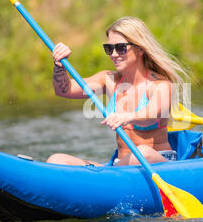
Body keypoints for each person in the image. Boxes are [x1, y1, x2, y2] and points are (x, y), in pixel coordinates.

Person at [46, 16, 188, 165]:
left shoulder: (160, 84)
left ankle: (105, 178)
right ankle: (108, 176)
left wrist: (127, 117)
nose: (113, 54)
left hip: (157, 161)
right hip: (120, 165)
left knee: (143, 152)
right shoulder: (108, 80)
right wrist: (59, 66)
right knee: (56, 160)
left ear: (140, 49)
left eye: (120, 47)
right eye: (109, 49)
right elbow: (64, 90)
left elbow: (153, 114)